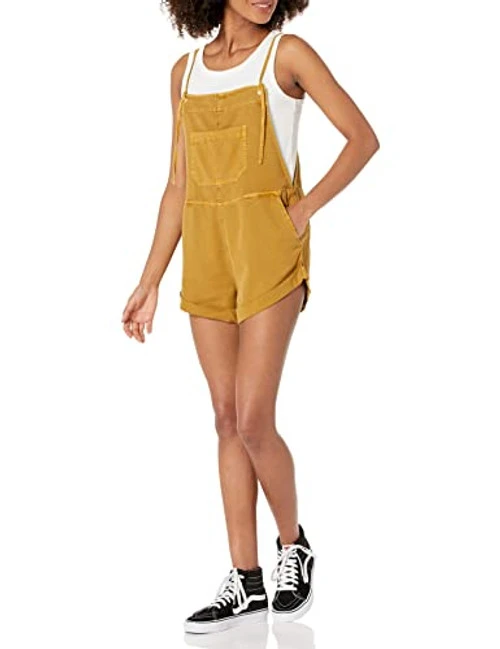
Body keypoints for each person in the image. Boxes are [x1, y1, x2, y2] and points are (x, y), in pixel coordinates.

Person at [121, 0, 379, 635]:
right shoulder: (184, 72)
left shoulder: (286, 55)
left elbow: (362, 139)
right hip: (208, 256)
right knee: (225, 417)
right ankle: (246, 578)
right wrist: (150, 280)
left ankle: (294, 546)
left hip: (269, 253)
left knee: (254, 417)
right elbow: (178, 185)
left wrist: (302, 211)